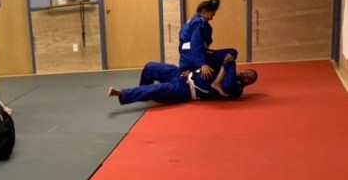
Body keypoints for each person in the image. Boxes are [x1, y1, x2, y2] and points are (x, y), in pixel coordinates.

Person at [108, 56, 258, 105]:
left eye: (249, 77)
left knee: (157, 89)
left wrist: (230, 62)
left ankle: (122, 93)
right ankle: (142, 93)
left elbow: (230, 78)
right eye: (247, 72)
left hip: (185, 90)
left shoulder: (235, 89)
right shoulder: (224, 70)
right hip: (182, 75)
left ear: (249, 83)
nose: (246, 74)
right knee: (150, 67)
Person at [178, 0, 238, 80]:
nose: (212, 18)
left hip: (185, 59)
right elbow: (196, 43)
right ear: (204, 12)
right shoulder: (199, 22)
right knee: (232, 53)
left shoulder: (191, 21)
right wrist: (202, 63)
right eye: (212, 15)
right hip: (194, 59)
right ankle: (220, 82)